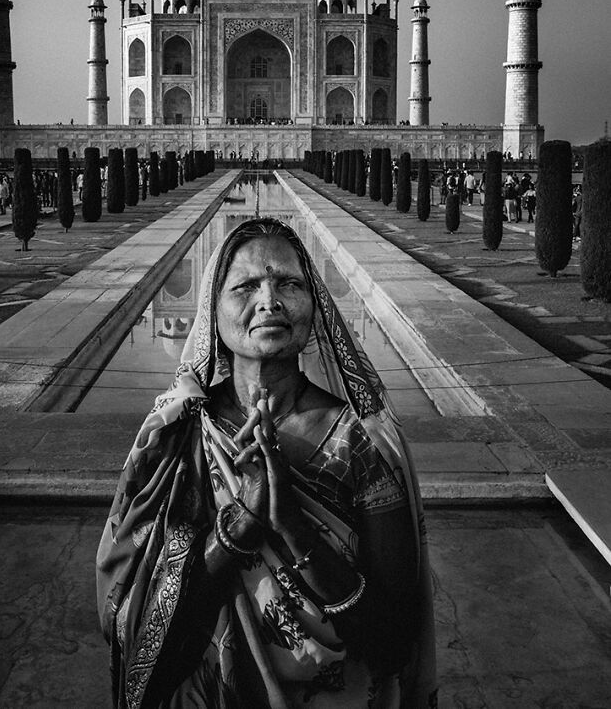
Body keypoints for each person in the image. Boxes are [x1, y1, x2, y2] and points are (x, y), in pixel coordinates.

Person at [97, 218, 437, 708]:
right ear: (211, 309)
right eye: (246, 286)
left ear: (315, 305)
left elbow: (391, 642)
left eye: (290, 284)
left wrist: (295, 530)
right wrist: (238, 530)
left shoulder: (362, 442)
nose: (270, 301)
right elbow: (133, 626)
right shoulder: (175, 432)